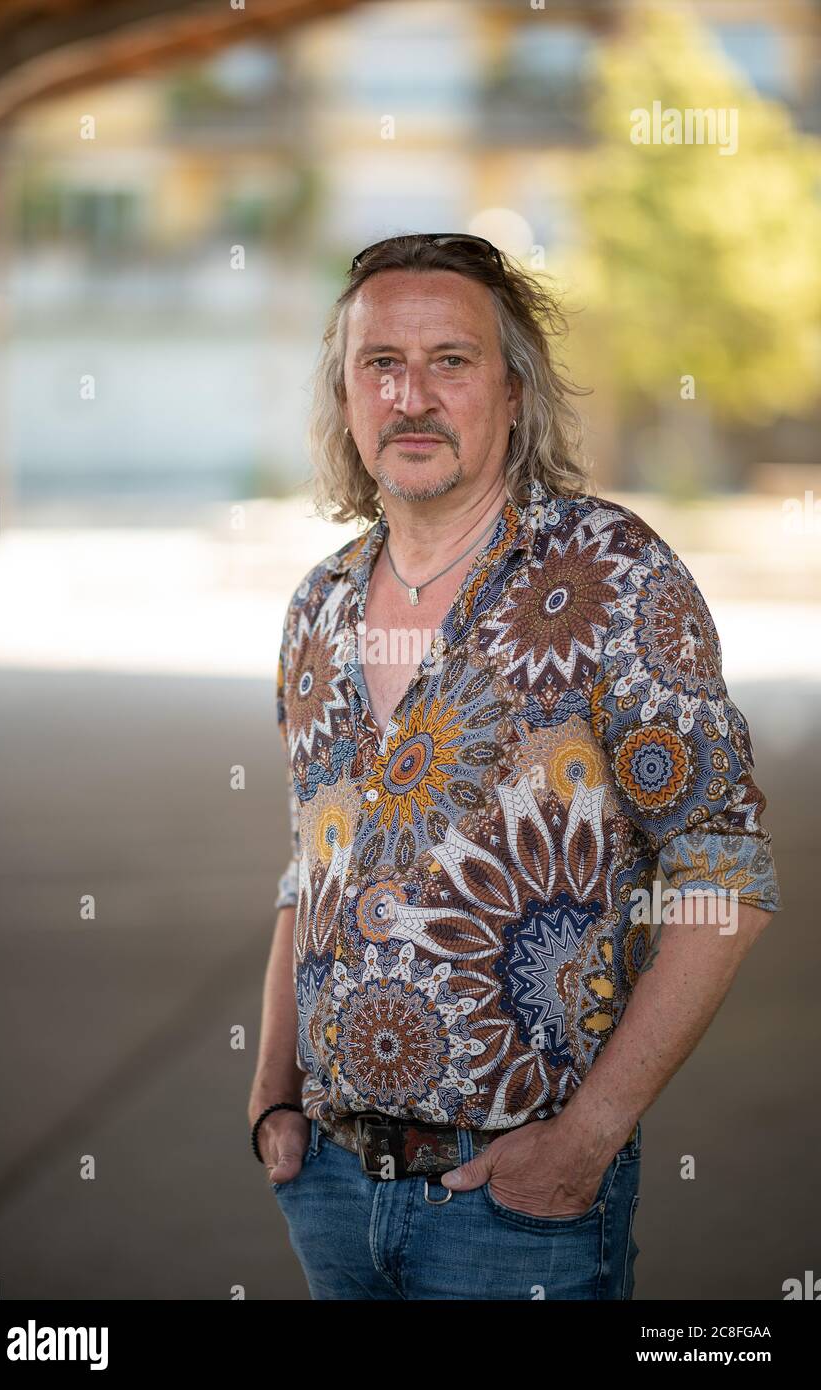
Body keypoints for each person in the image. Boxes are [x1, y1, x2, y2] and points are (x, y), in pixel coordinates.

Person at [248, 232, 781, 1301]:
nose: (412, 395)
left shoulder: (612, 574)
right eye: (379, 364)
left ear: (512, 389)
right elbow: (310, 869)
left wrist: (585, 1140)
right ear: (346, 394)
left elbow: (728, 877)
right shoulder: (316, 604)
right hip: (332, 1188)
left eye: (451, 360)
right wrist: (272, 1096)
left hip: (517, 1205)